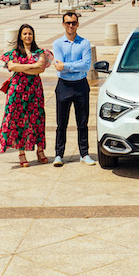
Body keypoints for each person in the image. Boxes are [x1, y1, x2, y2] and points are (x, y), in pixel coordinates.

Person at [0, 23, 48, 167]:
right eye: (25, 33)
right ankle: (21, 153)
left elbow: (41, 68)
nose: (27, 36)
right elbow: (11, 66)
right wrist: (33, 66)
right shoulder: (15, 52)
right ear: (20, 36)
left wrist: (23, 68)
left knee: (37, 119)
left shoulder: (40, 52)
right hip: (18, 90)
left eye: (30, 33)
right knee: (19, 120)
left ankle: (40, 150)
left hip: (35, 91)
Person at [51, 11, 94, 166]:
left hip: (81, 85)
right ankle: (58, 154)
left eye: (73, 23)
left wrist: (67, 66)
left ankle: (84, 153)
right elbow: (58, 66)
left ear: (77, 24)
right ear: (63, 24)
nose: (71, 26)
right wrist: (73, 66)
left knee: (82, 122)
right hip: (64, 85)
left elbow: (86, 65)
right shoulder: (57, 44)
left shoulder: (84, 43)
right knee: (61, 122)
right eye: (68, 23)